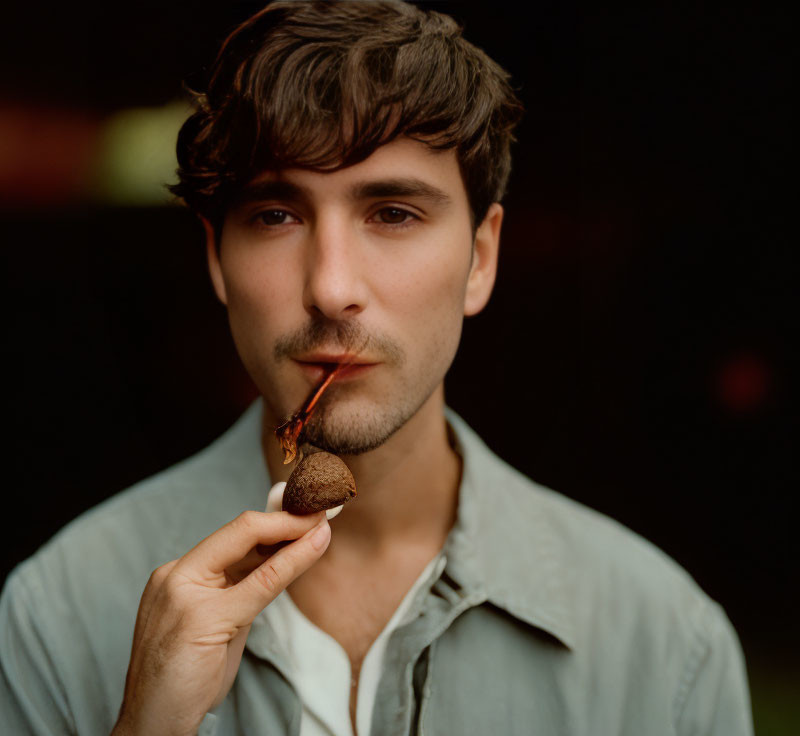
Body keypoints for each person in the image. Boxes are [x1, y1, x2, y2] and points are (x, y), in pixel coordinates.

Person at [0, 2, 753, 735]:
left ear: (480, 259)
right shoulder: (53, 615)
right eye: (275, 214)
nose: (331, 287)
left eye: (392, 212)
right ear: (215, 259)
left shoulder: (667, 645)